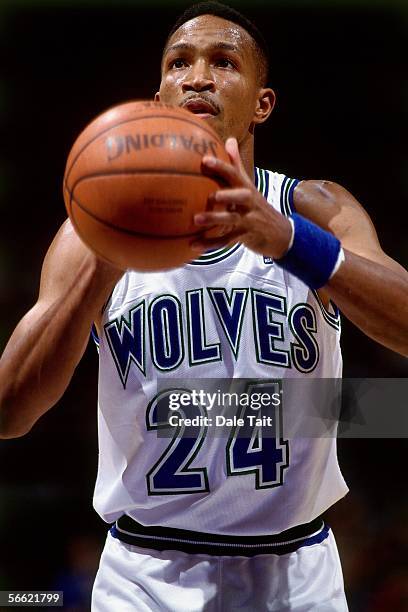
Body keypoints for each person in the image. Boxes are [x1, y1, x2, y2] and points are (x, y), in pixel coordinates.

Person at [0, 1, 407, 610]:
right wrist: (96, 272)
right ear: (159, 97)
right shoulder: (88, 232)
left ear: (262, 104)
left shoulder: (316, 209)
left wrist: (292, 243)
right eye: (178, 63)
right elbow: (9, 413)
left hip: (296, 575)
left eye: (223, 62)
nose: (197, 76)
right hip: (144, 575)